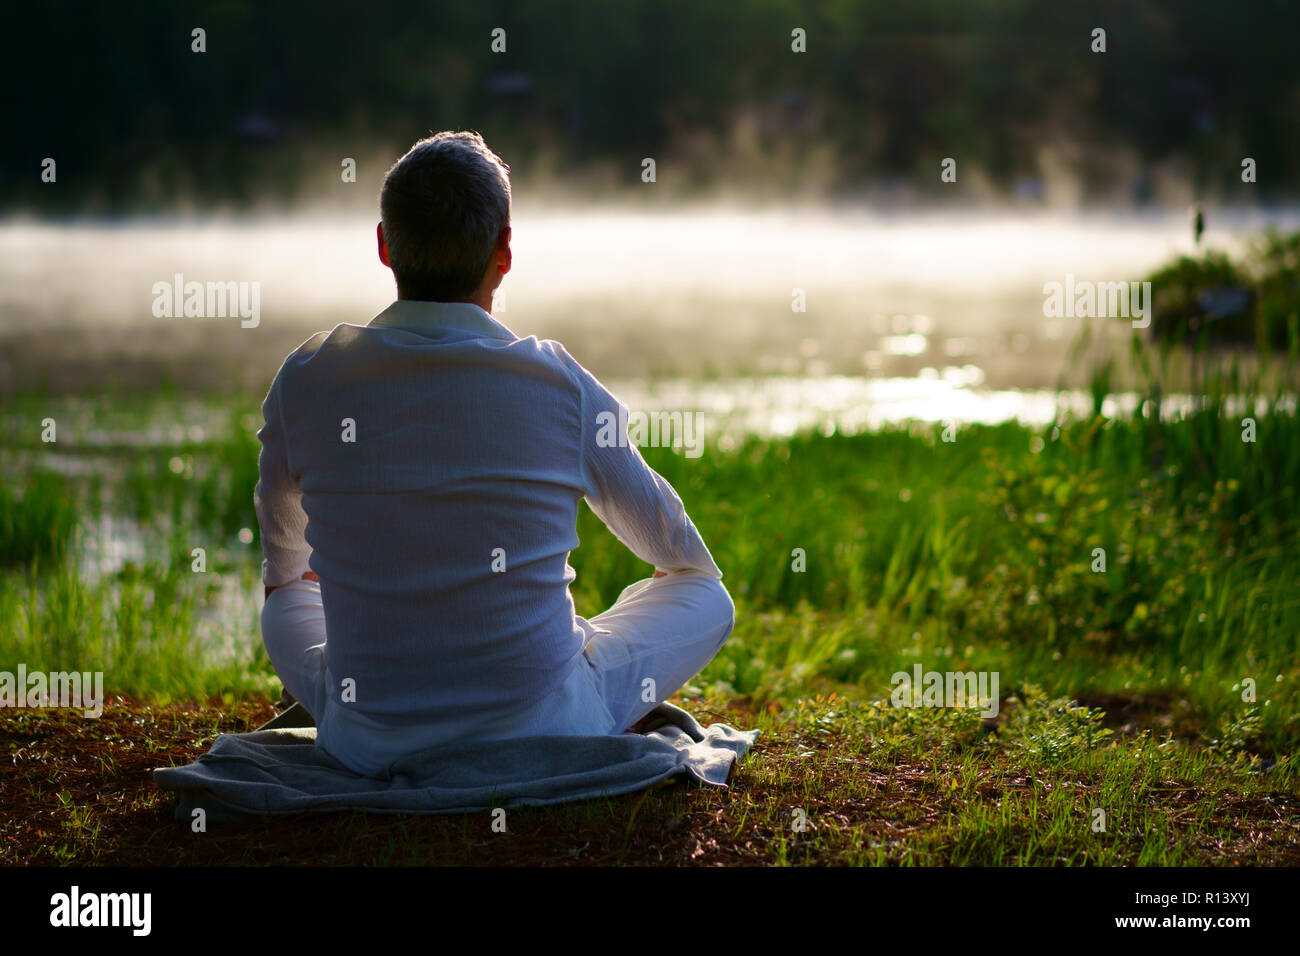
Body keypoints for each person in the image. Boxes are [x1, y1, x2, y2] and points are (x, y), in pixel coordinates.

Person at [255, 131, 733, 776]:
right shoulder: (559, 384)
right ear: (504, 252)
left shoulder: (307, 377)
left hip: (366, 735)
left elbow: (285, 561)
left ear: (383, 244)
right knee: (706, 594)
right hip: (551, 724)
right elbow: (676, 551)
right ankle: (570, 670)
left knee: (286, 596)